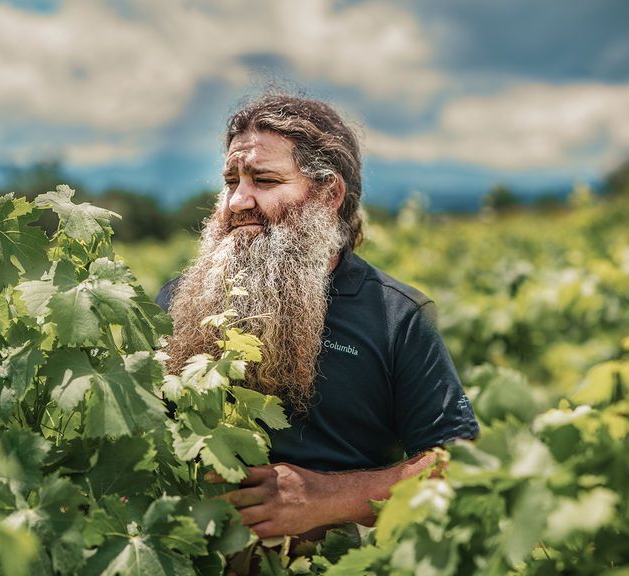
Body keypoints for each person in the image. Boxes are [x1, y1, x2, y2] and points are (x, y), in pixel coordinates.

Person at [156, 94, 479, 540]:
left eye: (264, 181)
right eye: (231, 181)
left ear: (328, 195)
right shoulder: (179, 301)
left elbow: (460, 464)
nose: (237, 202)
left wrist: (329, 497)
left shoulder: (396, 316)